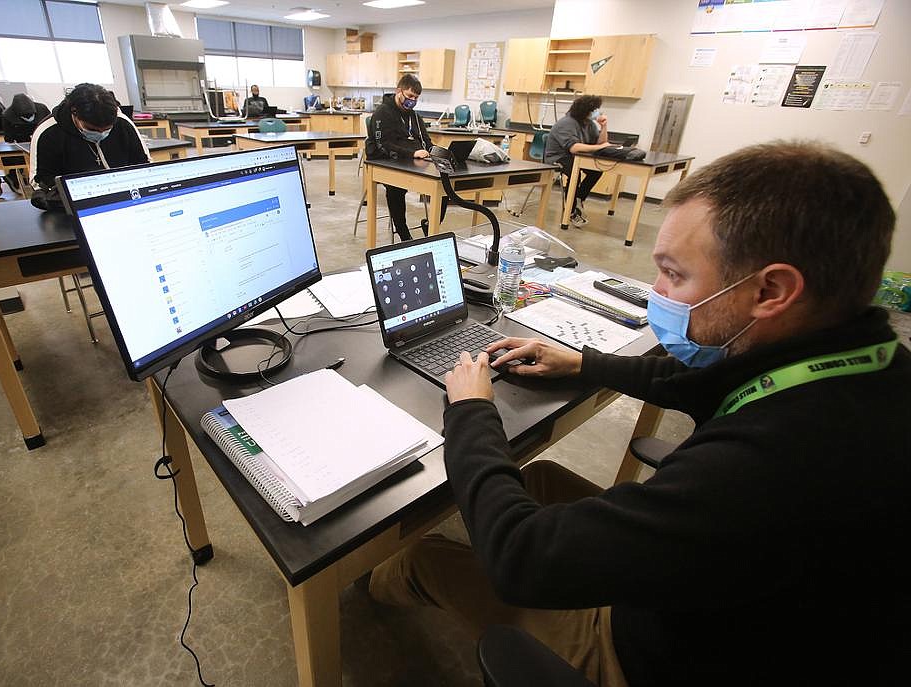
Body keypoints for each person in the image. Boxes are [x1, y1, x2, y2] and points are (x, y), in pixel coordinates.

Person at [369, 141, 908, 686]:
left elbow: (520, 560)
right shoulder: (862, 364)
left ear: (771, 289)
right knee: (541, 479)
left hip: (657, 654)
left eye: (674, 274)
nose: (657, 291)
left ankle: (355, 596)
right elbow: (705, 383)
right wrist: (583, 363)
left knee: (426, 556)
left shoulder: (779, 462)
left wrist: (470, 411)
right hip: (748, 604)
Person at [366, 74, 448, 242]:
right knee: (395, 189)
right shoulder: (383, 113)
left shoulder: (415, 117)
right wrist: (411, 153)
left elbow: (427, 142)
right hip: (386, 161)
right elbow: (384, 144)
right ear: (399, 91)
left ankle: (431, 224)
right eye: (410, 96)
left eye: (416, 98)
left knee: (445, 181)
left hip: (413, 161)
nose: (412, 101)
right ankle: (404, 235)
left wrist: (440, 154)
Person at [30, 83, 149, 192]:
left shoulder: (123, 123)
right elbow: (40, 183)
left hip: (125, 194)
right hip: (73, 202)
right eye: (92, 129)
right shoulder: (48, 132)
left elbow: (145, 165)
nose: (101, 133)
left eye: (107, 129)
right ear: (74, 112)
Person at [544, 94, 612, 227]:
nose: (597, 112)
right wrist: (599, 147)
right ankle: (571, 210)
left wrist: (604, 127)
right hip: (558, 157)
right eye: (595, 109)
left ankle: (578, 199)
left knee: (596, 170)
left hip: (577, 158)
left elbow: (601, 142)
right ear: (586, 110)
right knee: (575, 172)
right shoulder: (566, 123)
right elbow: (573, 148)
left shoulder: (589, 124)